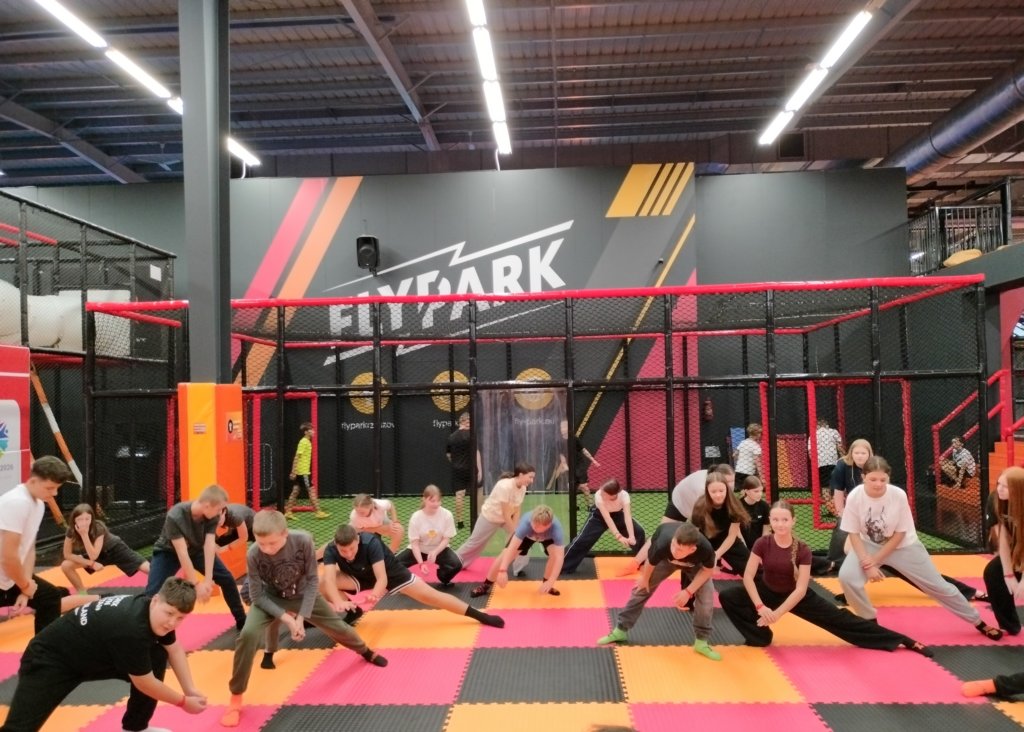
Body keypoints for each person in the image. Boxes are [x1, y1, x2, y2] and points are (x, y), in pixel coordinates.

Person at [220, 511, 385, 728]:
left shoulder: (303, 541)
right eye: (261, 543)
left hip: (304, 594)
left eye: (272, 543)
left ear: (284, 533)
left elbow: (313, 581)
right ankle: (235, 697)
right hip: (270, 598)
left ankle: (365, 651)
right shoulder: (254, 554)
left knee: (338, 627)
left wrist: (301, 617)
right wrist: (287, 619)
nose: (267, 548)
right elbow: (257, 595)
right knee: (248, 634)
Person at [719, 500, 932, 656]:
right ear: (770, 521)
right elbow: (748, 577)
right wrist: (760, 607)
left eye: (784, 520)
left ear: (793, 521)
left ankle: (902, 640)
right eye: (775, 520)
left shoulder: (802, 549)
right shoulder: (762, 543)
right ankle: (759, 636)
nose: (780, 524)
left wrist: (777, 613)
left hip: (797, 596)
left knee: (842, 621)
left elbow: (800, 589)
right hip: (766, 591)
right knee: (729, 597)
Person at [0, 577, 208, 732]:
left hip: (93, 656)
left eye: (180, 618)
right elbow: (145, 683)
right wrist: (183, 702)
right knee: (21, 727)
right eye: (169, 613)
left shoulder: (152, 612)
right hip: (50, 660)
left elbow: (174, 648)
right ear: (155, 600)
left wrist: (190, 689)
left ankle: (135, 727)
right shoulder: (132, 629)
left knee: (157, 654)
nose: (172, 622)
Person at [837, 456, 1002, 641]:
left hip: (903, 546)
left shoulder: (897, 495)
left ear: (889, 477)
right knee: (847, 577)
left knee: (939, 586)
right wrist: (867, 563)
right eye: (873, 479)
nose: (878, 484)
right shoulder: (855, 496)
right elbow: (853, 533)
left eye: (883, 479)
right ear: (863, 477)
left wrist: (874, 562)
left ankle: (977, 621)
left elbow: (900, 534)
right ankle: (869, 621)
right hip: (869, 545)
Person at [322, 525, 505, 628]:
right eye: (343, 551)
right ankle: (353, 612)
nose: (348, 554)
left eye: (351, 549)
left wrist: (375, 594)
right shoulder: (331, 549)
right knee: (322, 583)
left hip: (391, 574)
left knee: (433, 597)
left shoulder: (370, 542)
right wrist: (337, 602)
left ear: (358, 540)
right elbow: (329, 579)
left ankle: (479, 615)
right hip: (357, 575)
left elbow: (381, 578)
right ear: (336, 545)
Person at [597, 522, 722, 661]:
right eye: (674, 545)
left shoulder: (705, 549)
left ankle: (701, 642)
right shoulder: (664, 542)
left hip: (695, 565)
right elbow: (651, 561)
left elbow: (707, 571)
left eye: (680, 550)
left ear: (692, 549)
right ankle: (620, 630)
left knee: (707, 598)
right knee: (641, 589)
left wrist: (688, 591)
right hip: (665, 561)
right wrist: (645, 579)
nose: (675, 551)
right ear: (673, 539)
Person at [0, 456, 95, 634]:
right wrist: (25, 585)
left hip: (11, 577)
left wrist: (26, 589)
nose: (55, 494)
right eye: (50, 488)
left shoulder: (37, 505)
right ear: (33, 481)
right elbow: (8, 557)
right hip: (7, 572)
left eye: (57, 488)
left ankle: (43, 649)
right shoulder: (16, 502)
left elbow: (28, 548)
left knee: (50, 597)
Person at [143, 484, 248, 631]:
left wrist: (208, 580)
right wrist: (196, 585)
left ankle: (242, 620)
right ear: (207, 505)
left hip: (197, 549)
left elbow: (209, 546)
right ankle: (145, 628)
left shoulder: (212, 516)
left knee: (226, 579)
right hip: (168, 552)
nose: (220, 514)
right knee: (152, 591)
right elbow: (182, 552)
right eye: (219, 509)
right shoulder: (176, 515)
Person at [630, 464, 735, 570]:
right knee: (663, 532)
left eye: (732, 480)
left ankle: (711, 560)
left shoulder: (716, 482)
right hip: (680, 502)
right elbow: (701, 518)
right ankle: (637, 562)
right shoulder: (703, 489)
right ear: (718, 478)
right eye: (728, 481)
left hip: (693, 502)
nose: (731, 485)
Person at [452, 463, 536, 574]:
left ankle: (518, 569)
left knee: (525, 537)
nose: (532, 481)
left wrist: (517, 532)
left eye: (533, 478)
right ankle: (453, 562)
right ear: (521, 475)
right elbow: (505, 514)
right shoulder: (504, 486)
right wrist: (515, 533)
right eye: (530, 477)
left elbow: (517, 510)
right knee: (475, 543)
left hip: (506, 518)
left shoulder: (523, 488)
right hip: (490, 517)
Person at [471, 504, 566, 598]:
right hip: (527, 536)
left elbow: (560, 558)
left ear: (548, 525)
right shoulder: (526, 523)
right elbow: (512, 548)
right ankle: (485, 585)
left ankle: (547, 584)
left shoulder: (556, 530)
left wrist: (551, 581)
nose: (535, 528)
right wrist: (502, 570)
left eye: (538, 527)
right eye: (534, 525)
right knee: (504, 555)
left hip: (548, 538)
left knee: (554, 556)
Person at [60, 503, 150, 594]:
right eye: (80, 519)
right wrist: (91, 563)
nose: (84, 523)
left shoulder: (98, 527)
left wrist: (84, 534)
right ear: (74, 520)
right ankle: (82, 594)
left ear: (92, 519)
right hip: (97, 555)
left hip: (115, 549)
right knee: (66, 565)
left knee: (148, 569)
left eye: (87, 519)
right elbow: (67, 554)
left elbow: (93, 556)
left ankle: (158, 588)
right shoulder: (71, 530)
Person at [562, 478, 646, 574]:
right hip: (599, 516)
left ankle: (641, 563)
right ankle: (563, 566)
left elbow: (627, 516)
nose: (600, 493)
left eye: (603, 493)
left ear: (613, 495)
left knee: (639, 532)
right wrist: (618, 536)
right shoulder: (598, 496)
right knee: (582, 540)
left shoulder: (624, 495)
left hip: (618, 514)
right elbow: (607, 518)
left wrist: (631, 536)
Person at [980, 466, 1024, 636]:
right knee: (993, 572)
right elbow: (1003, 539)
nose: (1000, 489)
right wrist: (1008, 575)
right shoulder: (995, 499)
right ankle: (1009, 624)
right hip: (1016, 548)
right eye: (999, 484)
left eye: (1005, 486)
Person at [395, 484, 460, 585]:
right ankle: (400, 582)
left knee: (456, 565)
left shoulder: (447, 515)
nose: (436, 504)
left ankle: (444, 578)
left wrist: (435, 552)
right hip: (419, 549)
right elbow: (415, 544)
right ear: (424, 499)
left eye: (438, 501)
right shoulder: (416, 517)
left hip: (439, 548)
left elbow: (446, 539)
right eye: (432, 501)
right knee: (394, 564)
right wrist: (421, 564)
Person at [690, 470, 751, 576]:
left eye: (721, 491)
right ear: (707, 491)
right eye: (713, 492)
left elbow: (732, 536)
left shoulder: (734, 505)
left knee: (752, 569)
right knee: (691, 566)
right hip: (704, 540)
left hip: (727, 540)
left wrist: (717, 555)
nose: (718, 495)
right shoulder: (700, 506)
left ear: (727, 489)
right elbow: (695, 534)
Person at [824, 438, 873, 567]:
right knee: (842, 524)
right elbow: (838, 490)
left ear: (869, 454)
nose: (860, 456)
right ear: (851, 453)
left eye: (863, 453)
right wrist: (841, 511)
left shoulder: (874, 466)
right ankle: (835, 561)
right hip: (853, 507)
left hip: (872, 507)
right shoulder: (843, 465)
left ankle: (876, 558)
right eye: (856, 453)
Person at [285, 422, 329, 519]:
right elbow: (297, 457)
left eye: (313, 429)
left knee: (295, 491)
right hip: (303, 472)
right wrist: (293, 471)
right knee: (311, 490)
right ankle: (318, 512)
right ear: (306, 432)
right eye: (311, 430)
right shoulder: (304, 442)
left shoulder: (307, 442)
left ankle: (288, 512)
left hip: (301, 471)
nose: (313, 431)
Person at [445, 411, 481, 529]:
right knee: (477, 492)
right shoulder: (471, 436)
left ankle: (460, 522)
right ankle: (476, 517)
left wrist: (456, 463)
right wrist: (479, 469)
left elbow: (449, 455)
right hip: (471, 469)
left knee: (459, 495)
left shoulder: (451, 437)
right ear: (466, 422)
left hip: (457, 469)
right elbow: (476, 453)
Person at [557, 419, 601, 506]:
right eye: (561, 427)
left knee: (583, 486)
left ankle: (590, 505)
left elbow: (584, 450)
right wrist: (565, 465)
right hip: (570, 467)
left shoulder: (574, 439)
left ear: (569, 428)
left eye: (565, 426)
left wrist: (594, 461)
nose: (563, 428)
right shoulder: (559, 441)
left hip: (579, 466)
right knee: (571, 487)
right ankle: (573, 506)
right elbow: (561, 455)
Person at [736, 475, 770, 550]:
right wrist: (744, 548)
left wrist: (760, 547)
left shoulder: (764, 506)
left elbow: (766, 530)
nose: (760, 494)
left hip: (759, 545)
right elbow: (736, 530)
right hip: (741, 544)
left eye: (761, 491)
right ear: (746, 491)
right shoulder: (738, 505)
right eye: (756, 491)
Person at [810, 417, 844, 489]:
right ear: (827, 425)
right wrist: (843, 457)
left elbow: (810, 452)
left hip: (821, 462)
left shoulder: (813, 435)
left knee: (824, 483)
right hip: (832, 461)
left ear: (817, 426)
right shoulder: (833, 432)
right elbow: (839, 446)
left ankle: (826, 495)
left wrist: (814, 463)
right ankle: (835, 494)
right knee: (836, 480)